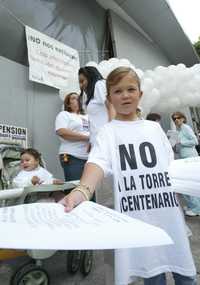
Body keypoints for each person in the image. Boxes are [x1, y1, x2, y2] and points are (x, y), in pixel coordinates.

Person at [60, 67, 197, 285]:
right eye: (118, 91)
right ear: (109, 99)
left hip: (169, 216)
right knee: (153, 275)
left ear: (140, 95)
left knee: (186, 276)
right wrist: (82, 190)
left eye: (131, 89)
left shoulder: (154, 129)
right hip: (139, 221)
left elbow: (171, 167)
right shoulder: (108, 132)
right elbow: (97, 163)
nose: (125, 95)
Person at [55, 92, 89, 182]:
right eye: (73, 98)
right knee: (75, 188)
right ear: (68, 104)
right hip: (72, 156)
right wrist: (86, 137)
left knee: (89, 189)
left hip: (89, 158)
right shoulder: (64, 114)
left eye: (79, 98)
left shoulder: (88, 116)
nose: (77, 99)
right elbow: (61, 131)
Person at [172, 111, 200, 216]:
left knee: (190, 183)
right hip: (183, 157)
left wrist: (181, 143)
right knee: (188, 183)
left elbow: (195, 141)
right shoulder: (178, 130)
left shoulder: (186, 128)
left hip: (190, 157)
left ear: (183, 118)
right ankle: (193, 206)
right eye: (174, 119)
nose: (176, 120)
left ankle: (196, 209)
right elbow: (180, 145)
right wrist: (175, 146)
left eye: (178, 117)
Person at [78, 66, 115, 146]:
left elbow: (111, 105)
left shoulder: (99, 84)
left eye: (82, 81)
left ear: (90, 77)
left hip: (106, 140)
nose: (80, 86)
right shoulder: (92, 95)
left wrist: (111, 132)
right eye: (79, 83)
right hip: (98, 141)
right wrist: (91, 140)